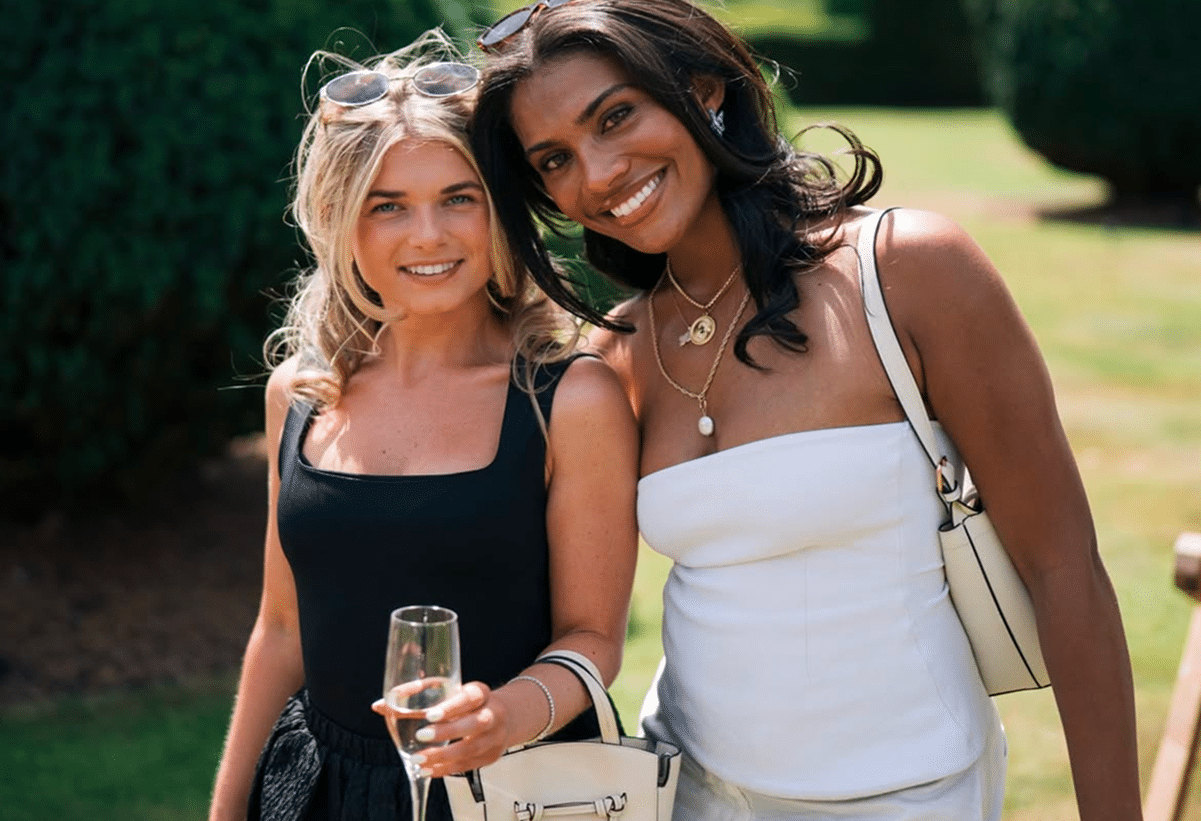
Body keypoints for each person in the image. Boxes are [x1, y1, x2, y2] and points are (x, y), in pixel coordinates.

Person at [469, 1, 1143, 819]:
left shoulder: (905, 271)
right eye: (554, 160)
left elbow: (1063, 568)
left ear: (704, 87)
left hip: (909, 795)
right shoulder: (617, 353)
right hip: (691, 792)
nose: (598, 174)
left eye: (615, 116)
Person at [207, 30, 639, 821]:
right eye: (389, 206)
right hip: (317, 792)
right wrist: (228, 809)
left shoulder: (568, 399)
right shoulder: (301, 395)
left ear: (499, 210)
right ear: (341, 220)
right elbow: (280, 628)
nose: (428, 235)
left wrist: (504, 715)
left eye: (457, 197)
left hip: (507, 791)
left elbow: (592, 638)